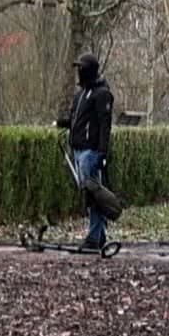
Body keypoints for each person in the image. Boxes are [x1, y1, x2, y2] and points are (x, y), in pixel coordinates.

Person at [57, 53, 115, 250]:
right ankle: (99, 236)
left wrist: (102, 153)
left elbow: (104, 125)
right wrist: (62, 123)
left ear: (89, 70)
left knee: (93, 194)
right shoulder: (81, 94)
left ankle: (93, 237)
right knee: (89, 194)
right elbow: (78, 120)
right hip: (78, 149)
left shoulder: (101, 94)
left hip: (91, 152)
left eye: (81, 68)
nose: (78, 72)